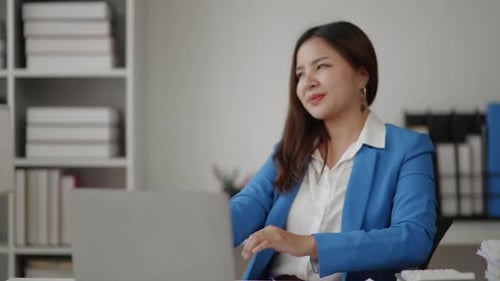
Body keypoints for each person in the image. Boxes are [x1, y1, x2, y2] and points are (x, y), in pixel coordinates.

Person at [230, 21, 436, 281]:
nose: (308, 82)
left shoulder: (407, 149)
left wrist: (308, 244)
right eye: (300, 74)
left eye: (321, 66)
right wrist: (193, 228)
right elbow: (247, 206)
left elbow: (413, 239)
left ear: (362, 75)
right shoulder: (290, 150)